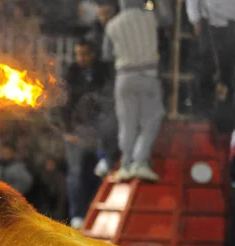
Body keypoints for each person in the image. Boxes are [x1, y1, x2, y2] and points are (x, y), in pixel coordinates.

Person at [103, 0, 165, 181]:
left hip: (123, 77)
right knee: (151, 118)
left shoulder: (112, 24)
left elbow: (106, 54)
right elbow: (167, 19)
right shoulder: (150, 17)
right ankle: (140, 161)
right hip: (148, 75)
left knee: (127, 123)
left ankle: (125, 163)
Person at [62, 39, 112, 229]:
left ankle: (100, 214)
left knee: (100, 172)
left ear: (93, 54)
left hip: (99, 131)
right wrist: (68, 131)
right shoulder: (71, 73)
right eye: (79, 54)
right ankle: (77, 216)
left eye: (85, 54)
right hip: (77, 130)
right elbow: (63, 103)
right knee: (75, 174)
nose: (82, 58)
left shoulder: (103, 71)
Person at [186, 0, 235, 118]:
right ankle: (202, 110)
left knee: (228, 70)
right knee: (205, 68)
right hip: (208, 20)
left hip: (232, 22)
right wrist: (195, 19)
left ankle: (226, 116)